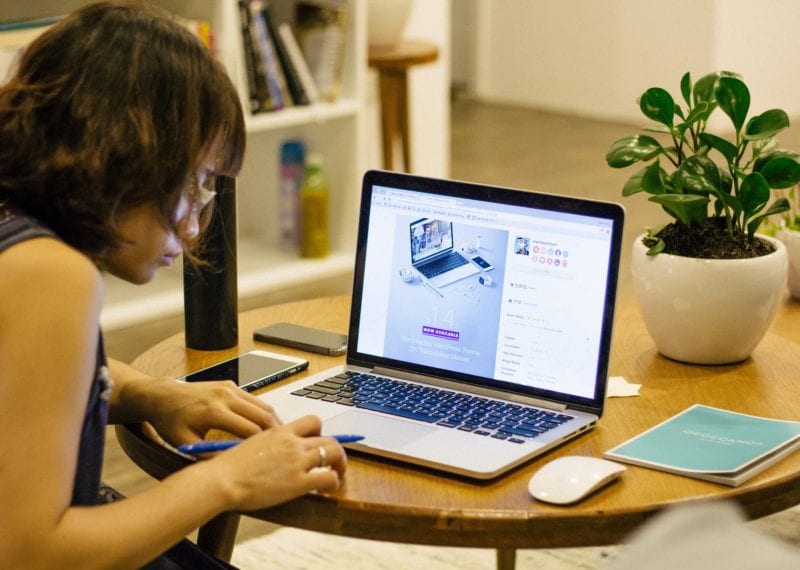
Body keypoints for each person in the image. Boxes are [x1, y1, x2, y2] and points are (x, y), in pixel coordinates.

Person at [0, 2, 346, 568]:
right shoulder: (52, 274)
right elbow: (28, 553)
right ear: (127, 154)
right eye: (197, 184)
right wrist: (230, 480)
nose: (193, 226)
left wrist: (147, 393)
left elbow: (19, 386)